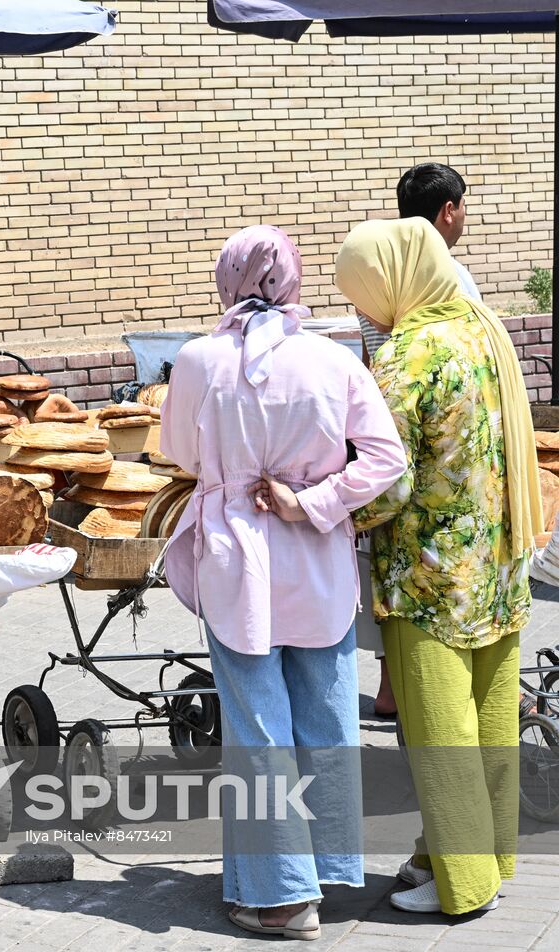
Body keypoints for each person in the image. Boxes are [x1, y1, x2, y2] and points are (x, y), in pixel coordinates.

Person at [160, 226, 406, 940]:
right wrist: (316, 500)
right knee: (326, 718)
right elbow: (384, 459)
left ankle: (281, 899)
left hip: (237, 554)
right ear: (293, 282)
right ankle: (322, 872)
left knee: (257, 727)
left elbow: (179, 451)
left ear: (228, 279)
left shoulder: (199, 359)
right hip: (317, 554)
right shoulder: (334, 360)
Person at [327, 218, 541, 915]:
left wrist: (319, 511)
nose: (361, 310)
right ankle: (485, 859)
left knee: (439, 733)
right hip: (499, 565)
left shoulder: (407, 355)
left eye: (361, 292)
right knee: (489, 725)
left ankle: (463, 886)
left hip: (428, 580)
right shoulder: (487, 329)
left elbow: (385, 483)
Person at [364, 162, 481, 717]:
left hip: (406, 451)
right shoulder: (455, 286)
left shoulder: (382, 274)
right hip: (448, 473)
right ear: (448, 210)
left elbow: (386, 478)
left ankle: (395, 692)